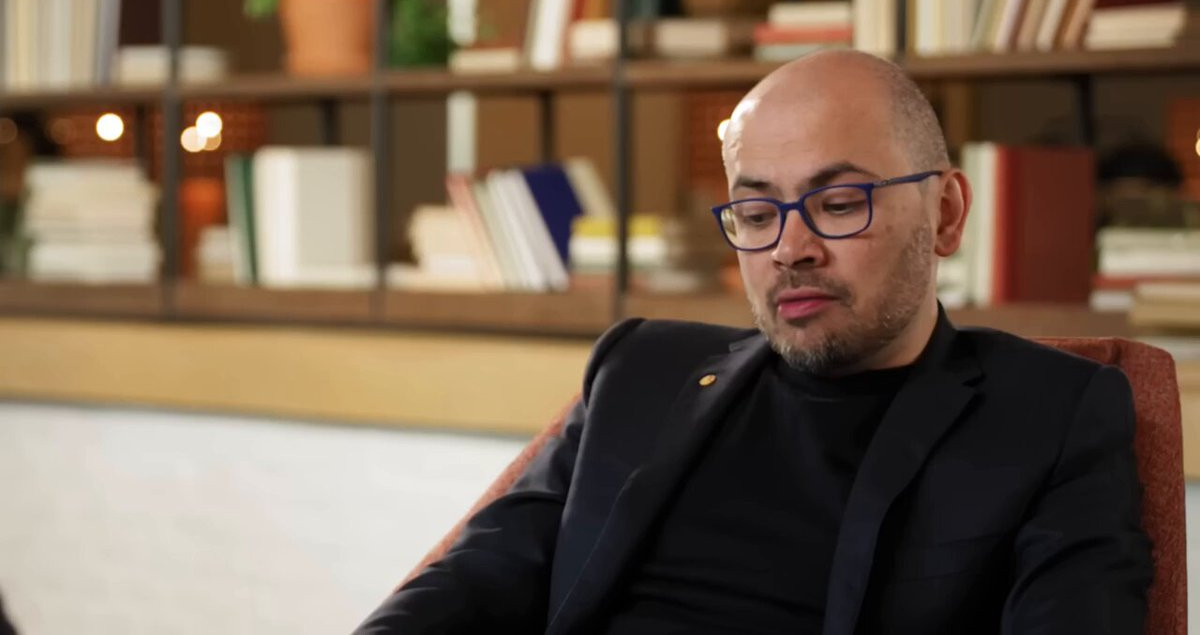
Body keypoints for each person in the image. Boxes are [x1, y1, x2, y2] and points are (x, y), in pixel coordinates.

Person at [355, 50, 1152, 634]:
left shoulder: (1051, 413)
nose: (789, 249)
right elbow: (475, 579)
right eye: (759, 213)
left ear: (944, 214)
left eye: (838, 203)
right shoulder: (642, 367)